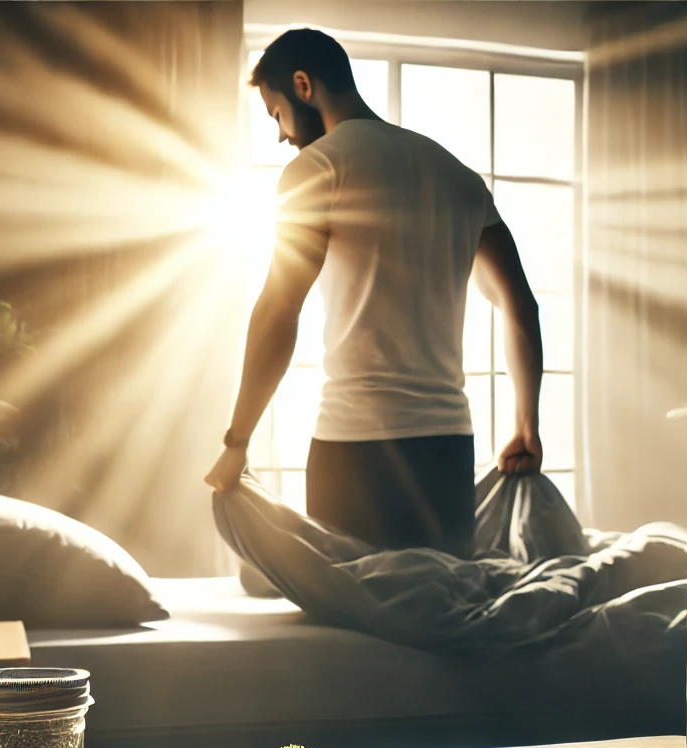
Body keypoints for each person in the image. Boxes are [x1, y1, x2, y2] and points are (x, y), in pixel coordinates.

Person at [204, 28, 544, 559]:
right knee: (438, 626)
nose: (280, 135)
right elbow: (519, 304)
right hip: (448, 447)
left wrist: (237, 442)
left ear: (302, 85)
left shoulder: (316, 169)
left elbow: (278, 308)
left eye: (276, 114)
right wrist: (527, 425)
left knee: (348, 626)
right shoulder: (458, 177)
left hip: (356, 447)